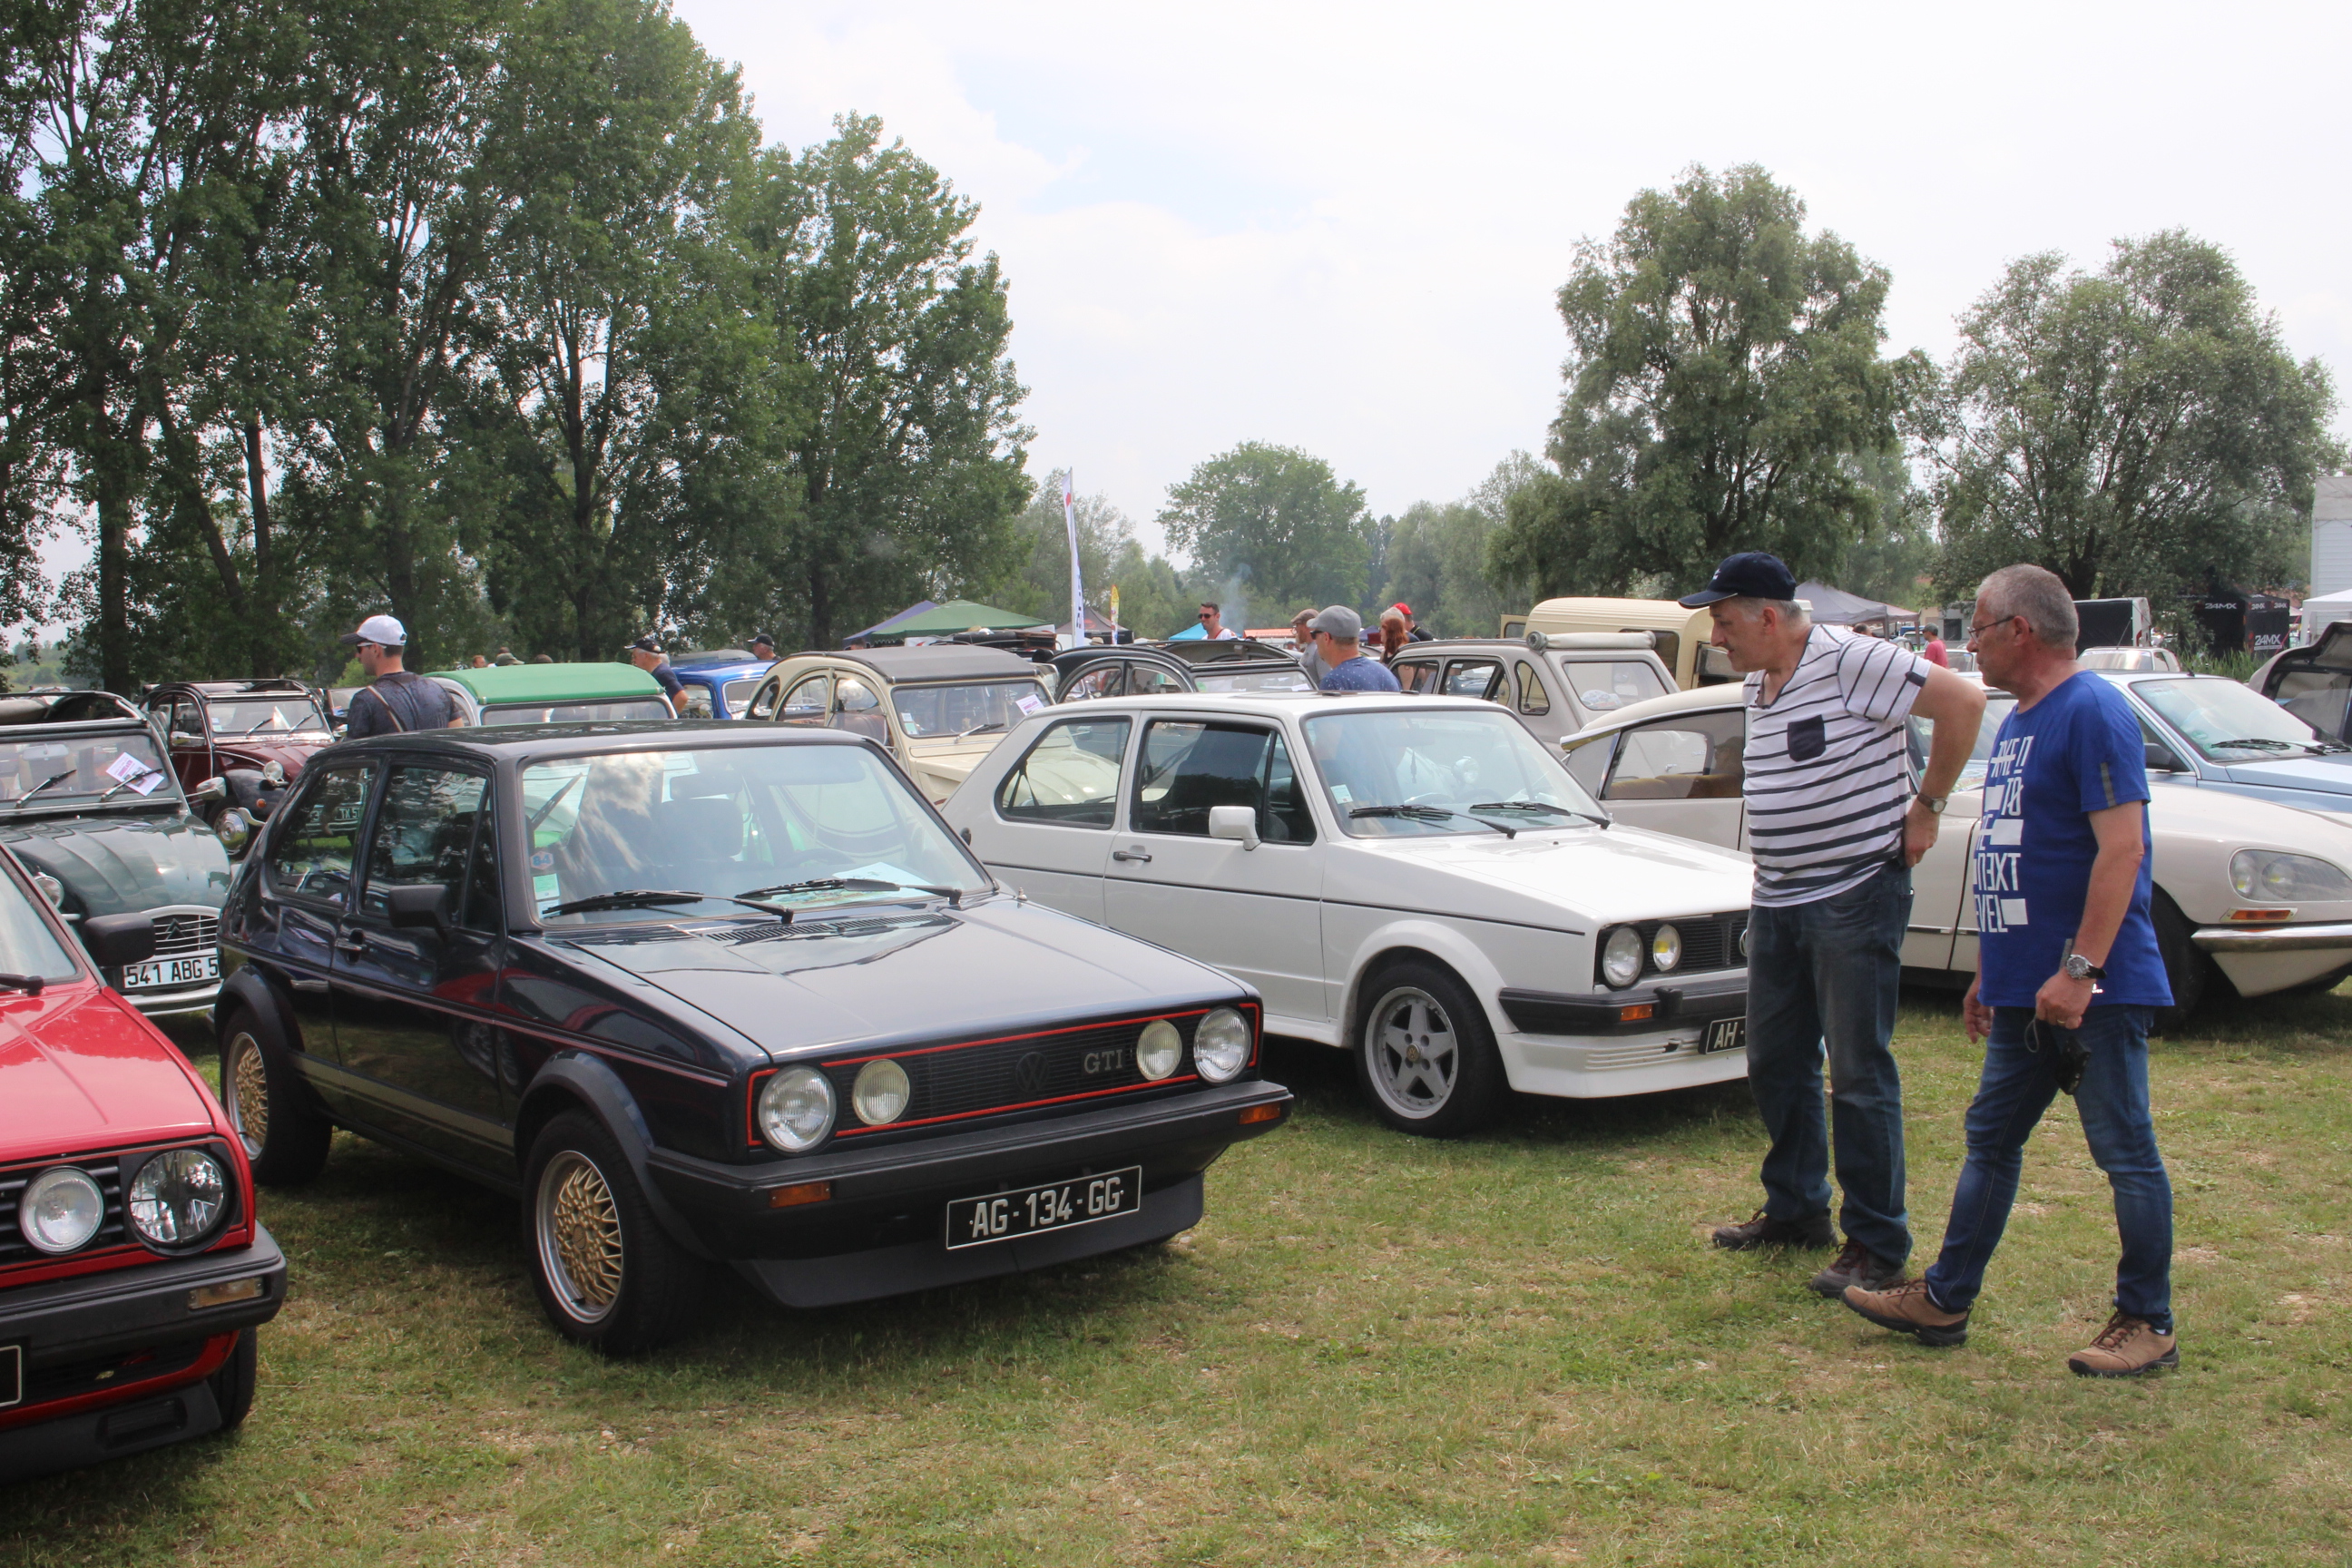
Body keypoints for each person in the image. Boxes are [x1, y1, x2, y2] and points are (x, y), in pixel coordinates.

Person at [1844, 565, 2178, 1377]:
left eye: (1982, 628)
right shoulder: (2023, 719)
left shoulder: (2091, 709)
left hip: (2088, 989)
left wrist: (2079, 969)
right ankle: (1945, 1299)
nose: (1972, 645)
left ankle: (2149, 1322)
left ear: (2021, 631)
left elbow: (2123, 850)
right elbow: (2017, 859)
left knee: (2123, 1149)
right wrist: (1990, 969)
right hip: (2027, 987)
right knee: (1990, 1138)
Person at [1689, 553, 1984, 1298]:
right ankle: (1797, 1210)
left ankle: (1877, 1241)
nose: (1718, 637)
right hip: (1780, 896)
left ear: (1766, 615)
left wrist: (1929, 806)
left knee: (1857, 1071)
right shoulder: (1760, 684)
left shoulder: (1852, 659)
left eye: (1725, 622)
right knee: (1777, 1062)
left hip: (1855, 893)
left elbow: (1964, 704)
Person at [340, 614, 459, 738]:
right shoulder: (439, 691)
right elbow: (458, 740)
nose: (357, 656)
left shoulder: (365, 700)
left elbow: (353, 754)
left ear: (375, 649)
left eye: (359, 649)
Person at [1309, 606, 1400, 692]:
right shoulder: (1386, 674)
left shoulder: (1333, 682)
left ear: (1326, 637)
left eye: (1314, 634)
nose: (1315, 641)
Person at [627, 635, 684, 715]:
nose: (633, 660)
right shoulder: (657, 672)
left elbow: (682, 697)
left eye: (635, 657)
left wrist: (669, 718)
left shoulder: (663, 673)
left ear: (645, 656)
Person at [1292, 608, 1330, 686]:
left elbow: (1326, 683)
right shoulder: (1311, 648)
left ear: (1307, 625)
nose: (1295, 629)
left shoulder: (1319, 650)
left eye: (1297, 625)